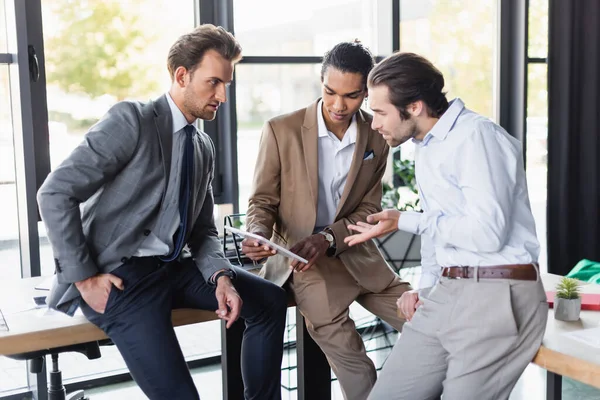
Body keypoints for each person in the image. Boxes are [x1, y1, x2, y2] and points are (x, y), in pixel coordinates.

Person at [37, 24, 287, 400]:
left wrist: (220, 277)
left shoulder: (202, 145)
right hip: (122, 279)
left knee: (270, 300)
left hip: (173, 268)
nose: (222, 95)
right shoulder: (132, 121)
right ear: (181, 76)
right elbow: (55, 193)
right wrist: (86, 279)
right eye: (213, 82)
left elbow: (203, 231)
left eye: (226, 85)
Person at [344, 52, 547, 400]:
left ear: (415, 107)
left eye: (380, 112)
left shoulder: (477, 137)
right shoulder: (427, 146)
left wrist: (404, 220)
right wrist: (426, 288)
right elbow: (439, 232)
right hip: (448, 292)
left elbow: (487, 233)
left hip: (498, 292)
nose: (374, 123)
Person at [241, 41, 411, 400]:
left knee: (428, 324)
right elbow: (262, 200)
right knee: (357, 367)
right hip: (306, 266)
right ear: (321, 82)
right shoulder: (280, 130)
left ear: (366, 92)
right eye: (330, 92)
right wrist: (258, 233)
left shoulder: (377, 135)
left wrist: (329, 239)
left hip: (361, 258)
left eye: (350, 96)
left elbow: (369, 208)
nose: (338, 105)